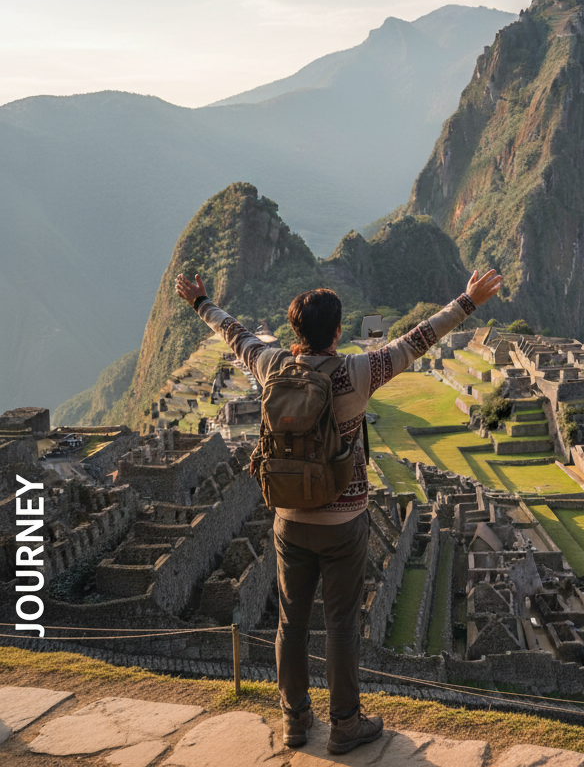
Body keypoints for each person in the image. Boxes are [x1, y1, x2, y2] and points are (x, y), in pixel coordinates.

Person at [175, 268, 502, 752]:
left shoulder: (271, 365)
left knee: (292, 622)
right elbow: (419, 340)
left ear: (295, 332)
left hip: (288, 519)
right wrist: (468, 301)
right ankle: (346, 722)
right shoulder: (356, 373)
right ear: (335, 332)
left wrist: (200, 302)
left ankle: (295, 720)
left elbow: (234, 333)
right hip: (344, 520)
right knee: (342, 624)